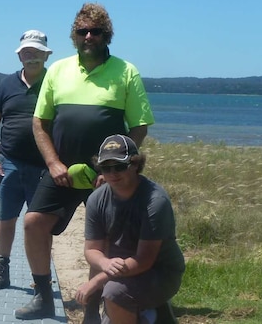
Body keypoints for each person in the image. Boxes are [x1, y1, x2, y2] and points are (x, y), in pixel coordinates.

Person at [15, 3, 155, 321]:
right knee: (33, 223)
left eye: (96, 31)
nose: (89, 36)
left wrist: (115, 169)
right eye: (83, 31)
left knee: (103, 240)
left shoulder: (126, 71)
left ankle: (93, 305)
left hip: (108, 175)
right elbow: (40, 123)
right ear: (74, 36)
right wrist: (52, 163)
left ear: (108, 36)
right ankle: (42, 297)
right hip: (62, 170)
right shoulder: (59, 71)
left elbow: (140, 126)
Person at [76, 135, 184, 324]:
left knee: (113, 293)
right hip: (120, 267)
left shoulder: (155, 201)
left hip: (160, 271)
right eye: (106, 168)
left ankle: (154, 307)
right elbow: (92, 249)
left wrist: (96, 282)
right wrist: (104, 263)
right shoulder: (97, 199)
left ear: (135, 164)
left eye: (120, 166)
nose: (112, 173)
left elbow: (144, 261)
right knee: (107, 275)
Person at [0, 30, 53, 290]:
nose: (31, 57)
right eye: (26, 52)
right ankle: (1, 270)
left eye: (36, 52)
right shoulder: (7, 85)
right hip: (9, 163)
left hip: (43, 167)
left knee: (40, 223)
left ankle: (41, 277)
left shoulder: (54, 82)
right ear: (19, 55)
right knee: (6, 218)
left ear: (46, 55)